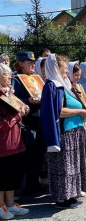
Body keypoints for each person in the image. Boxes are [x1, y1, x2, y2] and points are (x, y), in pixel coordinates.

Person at [40, 54, 86, 208]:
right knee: (64, 167)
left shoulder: (62, 84)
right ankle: (62, 199)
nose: (66, 73)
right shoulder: (51, 86)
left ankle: (70, 196)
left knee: (72, 166)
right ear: (55, 69)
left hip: (74, 131)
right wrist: (79, 112)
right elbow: (57, 111)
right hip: (65, 132)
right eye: (64, 70)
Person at [12, 51, 45, 196]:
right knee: (30, 154)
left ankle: (35, 183)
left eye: (33, 62)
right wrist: (27, 101)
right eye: (29, 62)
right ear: (20, 64)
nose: (33, 64)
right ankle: (28, 186)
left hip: (40, 120)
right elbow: (12, 99)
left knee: (40, 153)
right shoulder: (16, 79)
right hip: (28, 121)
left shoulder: (36, 78)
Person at [0, 63, 30, 220]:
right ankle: (0, 207)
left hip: (15, 142)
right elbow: (2, 124)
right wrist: (18, 115)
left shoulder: (7, 93)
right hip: (3, 144)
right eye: (6, 75)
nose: (10, 77)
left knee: (12, 175)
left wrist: (25, 108)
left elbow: (22, 106)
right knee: (2, 176)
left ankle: (10, 204)